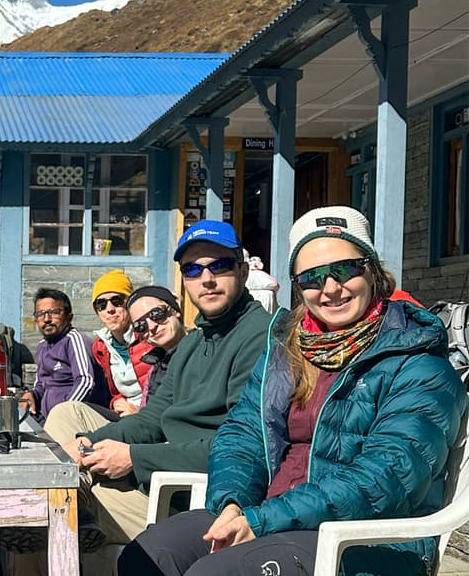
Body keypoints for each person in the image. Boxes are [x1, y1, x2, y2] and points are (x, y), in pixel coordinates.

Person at [119, 205, 468, 576]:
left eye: (345, 269)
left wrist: (261, 519)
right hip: (271, 511)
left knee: (216, 573)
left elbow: (386, 478)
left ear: (372, 272)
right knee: (150, 556)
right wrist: (234, 502)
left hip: (369, 538)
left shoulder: (418, 363)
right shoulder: (287, 350)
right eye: (312, 277)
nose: (331, 288)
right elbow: (242, 433)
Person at [42, 219, 273, 556]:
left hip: (198, 500)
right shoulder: (193, 344)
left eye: (219, 265)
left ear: (241, 269)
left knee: (52, 506)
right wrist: (85, 444)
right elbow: (151, 419)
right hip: (159, 479)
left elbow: (238, 447)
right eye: (193, 270)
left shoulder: (260, 336)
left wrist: (135, 458)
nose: (206, 279)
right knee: (63, 446)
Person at [20, 287, 108, 420]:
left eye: (54, 312)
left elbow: (85, 382)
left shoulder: (73, 340)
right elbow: (41, 385)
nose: (47, 319)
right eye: (40, 314)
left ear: (69, 317)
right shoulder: (42, 346)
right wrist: (31, 395)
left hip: (74, 420)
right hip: (46, 418)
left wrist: (63, 414)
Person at [89, 270, 153, 417]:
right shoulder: (100, 347)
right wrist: (116, 403)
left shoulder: (150, 336)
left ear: (129, 304)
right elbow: (114, 393)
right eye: (101, 304)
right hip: (123, 415)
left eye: (116, 301)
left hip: (150, 415)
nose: (110, 309)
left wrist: (140, 412)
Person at [125, 285, 187, 404]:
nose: (152, 326)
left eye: (156, 314)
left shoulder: (203, 350)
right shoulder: (154, 368)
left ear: (174, 310)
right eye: (140, 325)